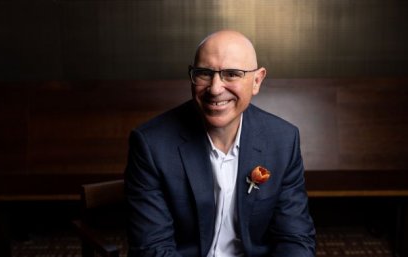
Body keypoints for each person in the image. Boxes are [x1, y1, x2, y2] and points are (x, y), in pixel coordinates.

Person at [125, 30, 316, 257]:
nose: (215, 89)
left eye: (232, 74)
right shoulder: (151, 144)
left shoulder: (283, 140)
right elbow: (152, 248)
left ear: (257, 80)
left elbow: (295, 238)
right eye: (204, 73)